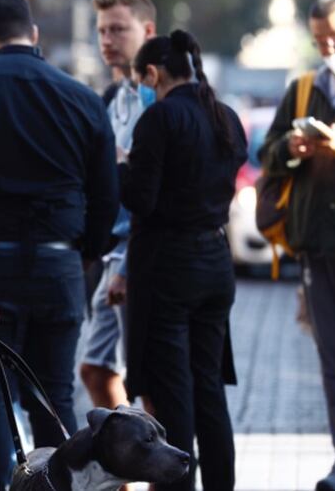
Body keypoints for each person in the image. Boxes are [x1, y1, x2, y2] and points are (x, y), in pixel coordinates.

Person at [0, 0, 119, 489]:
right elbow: (106, 198)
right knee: (54, 396)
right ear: (32, 33)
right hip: (59, 264)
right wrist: (83, 256)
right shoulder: (83, 98)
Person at [260, 0, 335, 491]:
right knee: (334, 360)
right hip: (316, 243)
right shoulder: (305, 88)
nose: (328, 47)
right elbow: (268, 152)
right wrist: (290, 147)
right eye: (319, 40)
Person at [121, 30, 247, 491]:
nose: (143, 89)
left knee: (174, 394)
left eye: (142, 81)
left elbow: (141, 199)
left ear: (153, 74)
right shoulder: (225, 116)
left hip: (170, 267)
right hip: (216, 261)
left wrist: (121, 166)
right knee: (209, 388)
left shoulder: (160, 118)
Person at [80, 0, 158, 412]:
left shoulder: (157, 98)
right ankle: (126, 452)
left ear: (148, 31)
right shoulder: (116, 96)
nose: (107, 40)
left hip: (141, 253)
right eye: (102, 31)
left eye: (118, 30)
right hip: (112, 251)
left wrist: (127, 267)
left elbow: (154, 192)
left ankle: (160, 452)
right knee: (95, 369)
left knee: (148, 380)